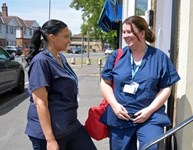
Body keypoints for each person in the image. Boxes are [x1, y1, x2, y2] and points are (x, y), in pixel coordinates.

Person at [100, 16, 181, 150]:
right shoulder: (117, 56)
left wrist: (149, 110)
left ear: (142, 33)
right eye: (124, 32)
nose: (126, 36)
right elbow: (105, 82)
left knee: (153, 147)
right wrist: (114, 105)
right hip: (120, 117)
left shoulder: (159, 57)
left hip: (150, 117)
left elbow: (166, 87)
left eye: (129, 32)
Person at [25, 19, 97, 150]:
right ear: (52, 37)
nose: (69, 40)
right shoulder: (41, 62)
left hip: (69, 124)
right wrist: (50, 140)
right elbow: (40, 102)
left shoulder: (61, 58)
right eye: (65, 36)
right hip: (49, 132)